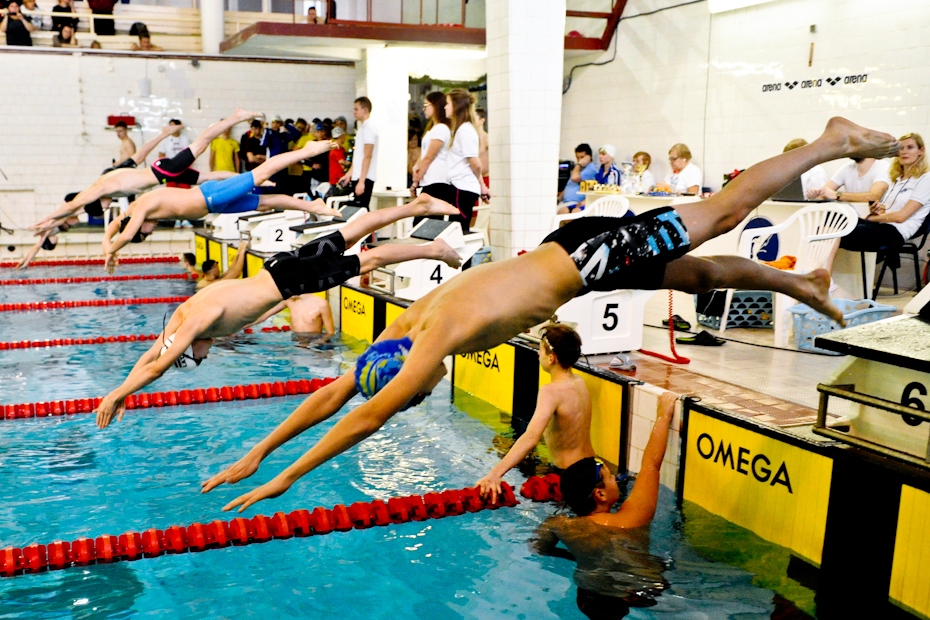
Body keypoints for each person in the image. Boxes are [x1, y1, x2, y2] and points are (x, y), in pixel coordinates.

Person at [200, 117, 899, 513]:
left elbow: (361, 416)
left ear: (410, 383)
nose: (417, 399)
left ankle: (830, 142)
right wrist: (261, 450)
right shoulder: (402, 329)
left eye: (412, 397)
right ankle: (803, 283)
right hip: (570, 257)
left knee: (724, 214)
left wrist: (287, 477)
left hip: (586, 259)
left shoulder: (426, 345)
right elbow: (338, 393)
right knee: (702, 277)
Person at [93, 193, 463, 429]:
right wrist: (122, 389)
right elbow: (152, 352)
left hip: (289, 281)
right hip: (278, 267)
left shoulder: (199, 322)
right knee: (348, 234)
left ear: (191, 348)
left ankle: (435, 250)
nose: (205, 357)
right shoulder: (186, 312)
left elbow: (159, 362)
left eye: (197, 359)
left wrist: (116, 395)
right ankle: (419, 207)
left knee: (370, 260)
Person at [532, 392, 677, 619]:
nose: (616, 479)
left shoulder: (561, 524)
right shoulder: (629, 520)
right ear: (600, 494)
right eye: (610, 477)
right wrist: (663, 414)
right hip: (630, 587)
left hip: (587, 590)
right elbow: (651, 465)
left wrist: (573, 556)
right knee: (660, 578)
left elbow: (538, 547)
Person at [102, 140, 342, 266]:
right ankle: (313, 207)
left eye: (145, 233)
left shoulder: (142, 208)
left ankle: (305, 151)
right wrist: (106, 243)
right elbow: (114, 228)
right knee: (265, 203)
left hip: (210, 196)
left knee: (260, 174)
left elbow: (123, 236)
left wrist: (111, 252)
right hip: (215, 206)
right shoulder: (133, 211)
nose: (149, 231)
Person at [33, 110, 255, 232]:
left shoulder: (103, 188)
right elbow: (78, 210)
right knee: (207, 177)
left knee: (202, 141)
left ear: (97, 200)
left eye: (103, 207)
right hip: (162, 171)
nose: (107, 206)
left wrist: (45, 218)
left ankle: (236, 117)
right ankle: (259, 179)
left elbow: (74, 205)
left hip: (164, 172)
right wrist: (51, 224)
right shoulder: (111, 178)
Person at [475, 324, 595, 504]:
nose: (538, 354)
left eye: (540, 350)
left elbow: (530, 438)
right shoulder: (579, 383)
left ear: (551, 358)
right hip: (593, 469)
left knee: (550, 531)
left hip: (570, 476)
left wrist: (494, 474)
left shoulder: (551, 391)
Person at [838, 133, 930, 255]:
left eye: (910, 147)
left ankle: (822, 272)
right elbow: (886, 211)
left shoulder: (926, 178)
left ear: (921, 151)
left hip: (895, 232)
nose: (904, 152)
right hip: (880, 225)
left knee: (838, 231)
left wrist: (871, 218)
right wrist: (877, 210)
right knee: (834, 220)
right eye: (901, 148)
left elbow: (900, 217)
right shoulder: (896, 179)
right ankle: (820, 271)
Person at [444, 89, 490, 233]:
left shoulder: (465, 131)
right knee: (456, 230)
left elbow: (475, 164)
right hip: (459, 187)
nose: (445, 107)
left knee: (459, 231)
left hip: (462, 188)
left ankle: (464, 256)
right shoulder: (461, 130)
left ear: (456, 106)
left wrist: (482, 186)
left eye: (448, 103)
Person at [411, 91, 453, 204]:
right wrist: (416, 166)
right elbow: (425, 154)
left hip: (437, 181)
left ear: (435, 106)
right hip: (429, 181)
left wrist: (416, 181)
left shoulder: (441, 128)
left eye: (426, 105)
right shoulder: (433, 128)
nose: (423, 109)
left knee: (427, 219)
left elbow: (429, 157)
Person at [338, 97, 377, 210]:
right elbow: (358, 157)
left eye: (356, 109)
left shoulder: (369, 128)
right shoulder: (362, 129)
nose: (354, 112)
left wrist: (362, 181)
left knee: (362, 209)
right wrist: (349, 174)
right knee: (358, 210)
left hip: (364, 177)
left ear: (365, 110)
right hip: (358, 175)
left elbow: (367, 156)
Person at [806, 156, 890, 203]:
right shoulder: (847, 168)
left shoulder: (883, 167)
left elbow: (873, 197)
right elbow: (823, 193)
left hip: (872, 220)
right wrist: (814, 195)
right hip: (850, 217)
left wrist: (838, 195)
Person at [246, 294, 335, 335]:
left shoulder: (322, 304)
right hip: (295, 341)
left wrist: (319, 342)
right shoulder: (289, 301)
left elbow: (330, 333)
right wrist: (241, 325)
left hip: (313, 342)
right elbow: (264, 315)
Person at [558, 144, 599, 214]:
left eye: (582, 157)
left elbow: (575, 178)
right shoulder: (578, 169)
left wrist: (579, 164)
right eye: (577, 158)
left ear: (590, 157)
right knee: (561, 211)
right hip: (567, 202)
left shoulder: (591, 168)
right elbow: (569, 185)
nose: (579, 160)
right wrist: (558, 199)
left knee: (570, 213)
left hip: (577, 203)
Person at [475, 107, 489, 187]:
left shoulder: (487, 139)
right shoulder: (471, 138)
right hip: (474, 178)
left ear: (482, 120)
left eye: (474, 118)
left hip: (485, 177)